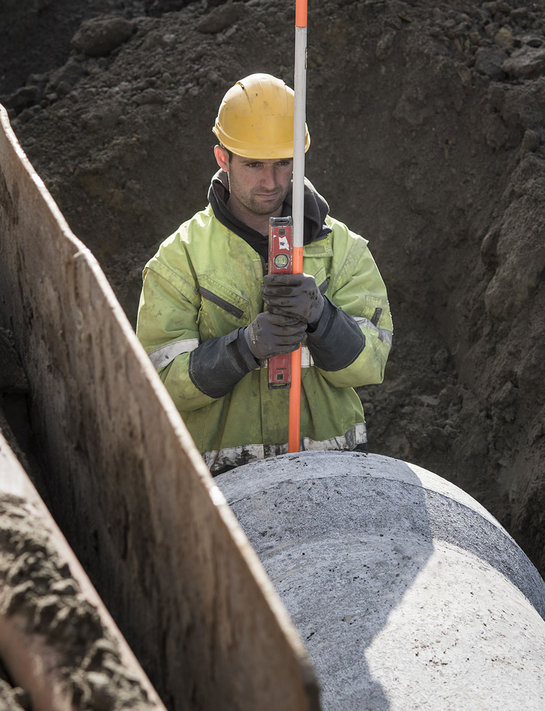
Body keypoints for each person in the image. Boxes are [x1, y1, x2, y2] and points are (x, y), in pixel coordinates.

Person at [136, 73, 393, 474]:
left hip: (331, 476)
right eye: (254, 164)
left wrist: (323, 318)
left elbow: (371, 365)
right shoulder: (180, 258)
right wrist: (244, 348)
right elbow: (159, 384)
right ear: (223, 158)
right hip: (226, 482)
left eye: (282, 163)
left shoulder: (342, 248)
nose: (270, 181)